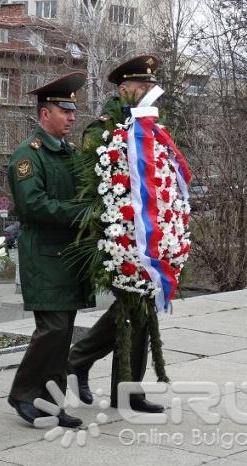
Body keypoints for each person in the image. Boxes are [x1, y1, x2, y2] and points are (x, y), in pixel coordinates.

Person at [68, 55, 166, 414]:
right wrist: (114, 231)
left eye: (151, 89)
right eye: (143, 89)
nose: (149, 95)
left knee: (139, 306)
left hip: (146, 231)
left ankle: (95, 369)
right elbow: (91, 184)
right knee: (132, 306)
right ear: (124, 89)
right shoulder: (103, 128)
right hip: (115, 232)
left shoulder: (150, 125)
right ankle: (114, 382)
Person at [6, 73, 91, 428]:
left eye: (73, 111)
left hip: (68, 256)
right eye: (64, 110)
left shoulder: (69, 153)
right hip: (43, 255)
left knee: (63, 331)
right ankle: (23, 393)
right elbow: (32, 205)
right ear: (45, 114)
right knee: (52, 329)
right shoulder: (29, 155)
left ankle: (51, 402)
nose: (72, 117)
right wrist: (80, 213)